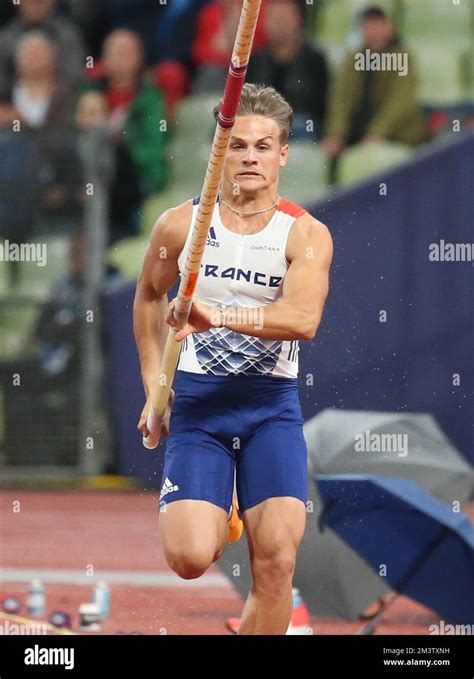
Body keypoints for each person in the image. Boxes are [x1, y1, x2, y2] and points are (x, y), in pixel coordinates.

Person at [134, 83, 333, 635]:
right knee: (190, 558)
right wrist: (156, 384)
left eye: (263, 146)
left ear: (283, 154)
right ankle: (219, 508)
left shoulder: (306, 234)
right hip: (200, 408)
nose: (250, 157)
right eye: (238, 146)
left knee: (275, 563)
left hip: (270, 410)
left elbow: (302, 320)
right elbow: (150, 296)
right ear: (219, 152)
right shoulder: (182, 225)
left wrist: (216, 317)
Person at [322, 5, 428, 180]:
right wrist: (336, 133)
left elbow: (401, 101)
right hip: (357, 134)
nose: (373, 31)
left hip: (397, 136)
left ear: (389, 27)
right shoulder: (353, 60)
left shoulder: (403, 57)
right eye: (368, 26)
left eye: (378, 25)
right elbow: (341, 100)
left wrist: (377, 133)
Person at [84, 29, 168, 197]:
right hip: (92, 170)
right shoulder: (91, 91)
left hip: (135, 175)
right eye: (115, 53)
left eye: (126, 53)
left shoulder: (150, 99)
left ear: (139, 59)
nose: (120, 59)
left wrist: (125, 138)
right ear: (104, 58)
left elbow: (153, 148)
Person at [247, 0, 328, 139]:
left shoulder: (315, 59)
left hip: (300, 125)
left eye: (284, 17)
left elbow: (321, 106)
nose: (279, 23)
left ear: (299, 20)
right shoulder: (255, 59)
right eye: (274, 17)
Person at [0, 0, 85, 88]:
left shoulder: (68, 35)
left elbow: (75, 76)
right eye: (31, 2)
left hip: (61, 97)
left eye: (41, 2)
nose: (36, 5)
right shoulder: (5, 40)